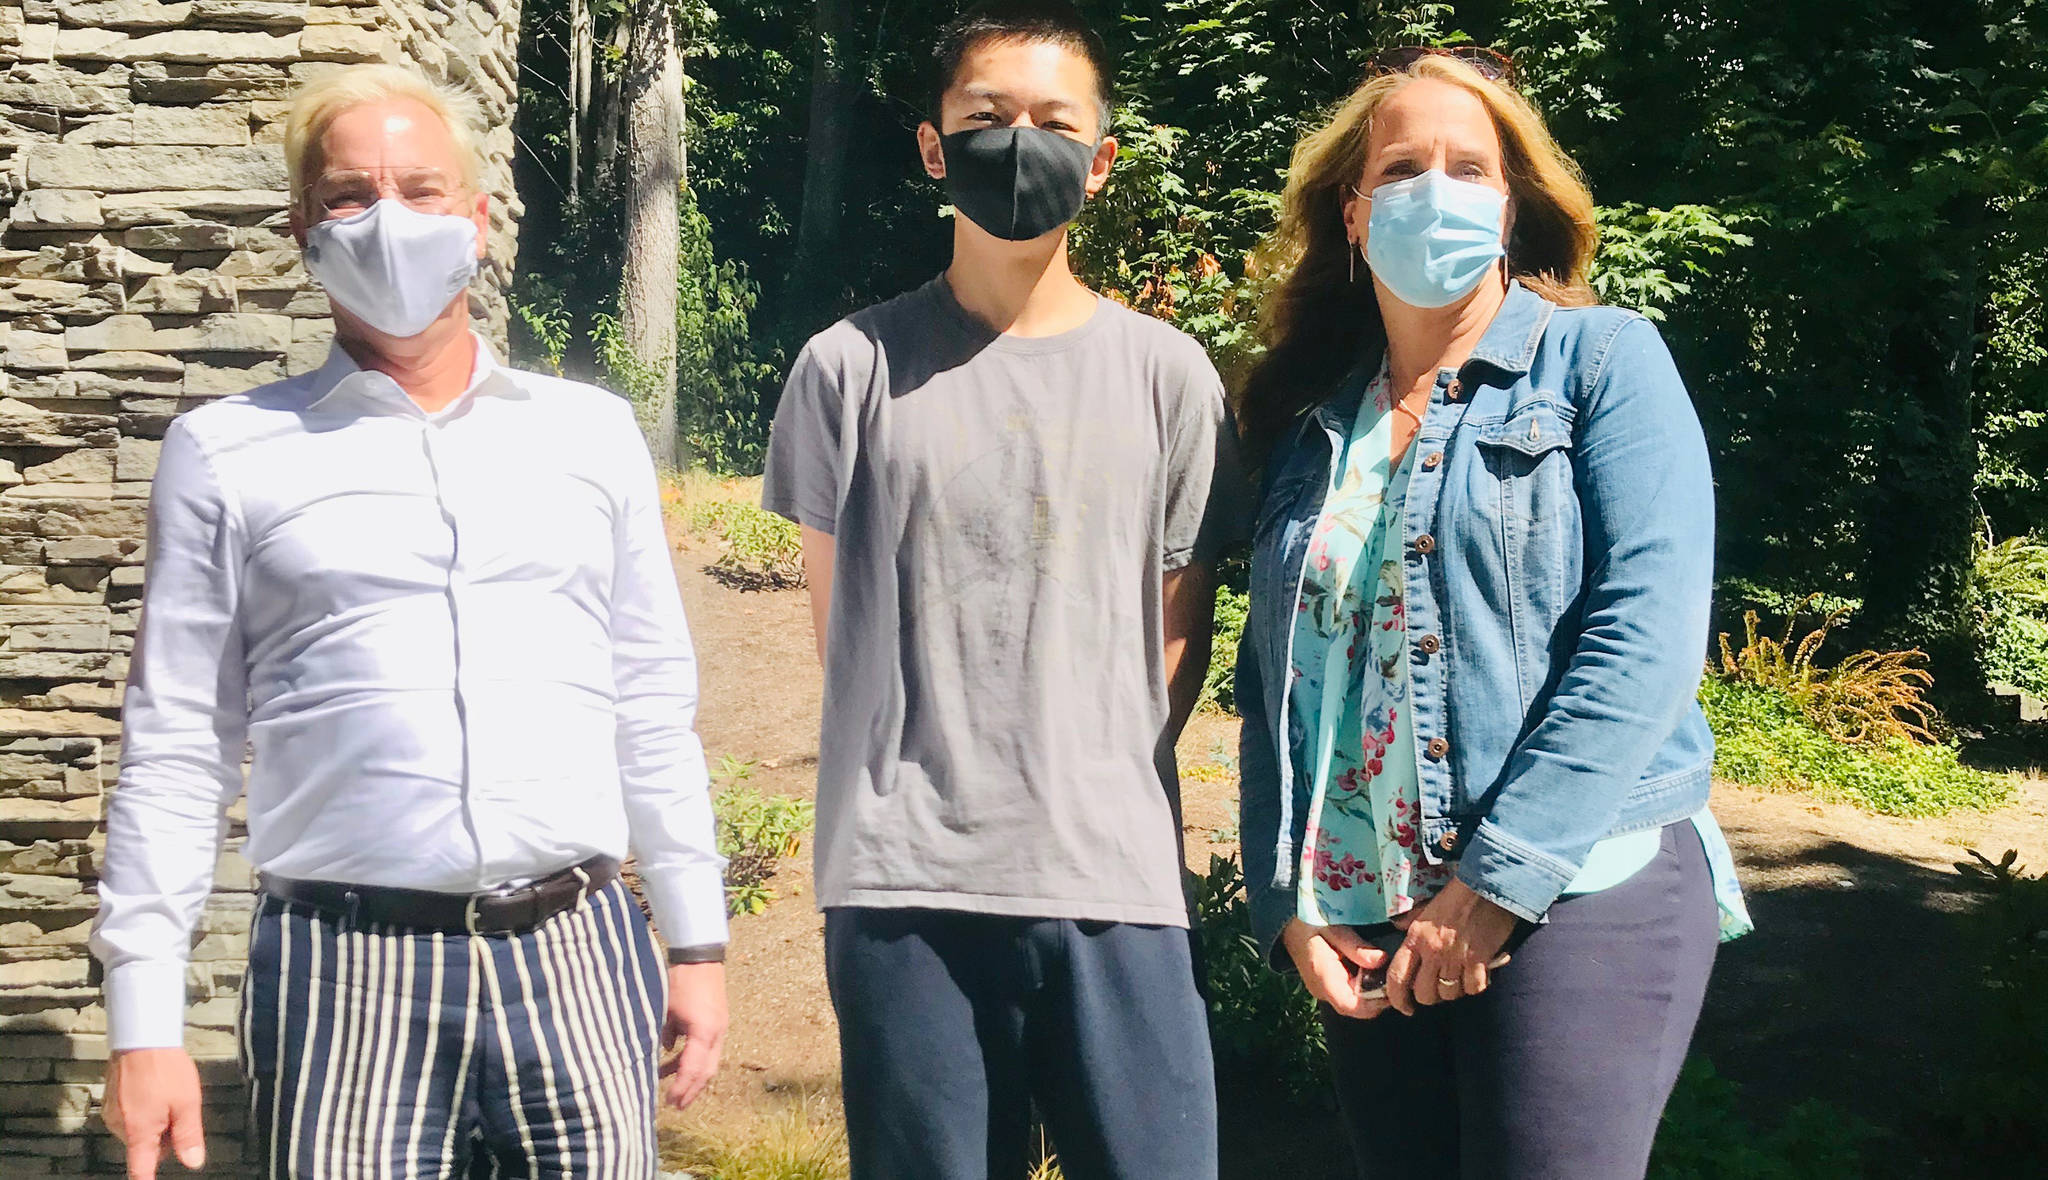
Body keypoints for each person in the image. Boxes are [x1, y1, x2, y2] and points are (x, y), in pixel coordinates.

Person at [90, 64, 730, 1180]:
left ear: (476, 222)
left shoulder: (589, 434)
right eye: (349, 195)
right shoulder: (227, 452)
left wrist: (696, 938)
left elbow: (649, 695)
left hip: (576, 950)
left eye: (422, 189)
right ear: (303, 230)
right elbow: (179, 741)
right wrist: (144, 1018)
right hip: (346, 971)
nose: (388, 219)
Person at [1233, 48, 1753, 1179]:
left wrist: (1495, 882)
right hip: (1369, 912)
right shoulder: (1310, 424)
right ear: (1353, 211)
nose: (1435, 188)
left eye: (1468, 166)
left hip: (1580, 888)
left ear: (1511, 205)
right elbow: (1272, 680)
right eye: (1403, 165)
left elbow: (1644, 637)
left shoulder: (1604, 363)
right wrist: (1289, 900)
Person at [760, 3, 1240, 1176]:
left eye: (1050, 120)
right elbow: (844, 633)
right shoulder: (848, 368)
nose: (1016, 140)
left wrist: (1081, 770)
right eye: (984, 116)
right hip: (904, 883)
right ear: (933, 145)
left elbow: (1177, 635)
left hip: (1110, 878)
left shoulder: (1169, 378)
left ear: (1100, 155)